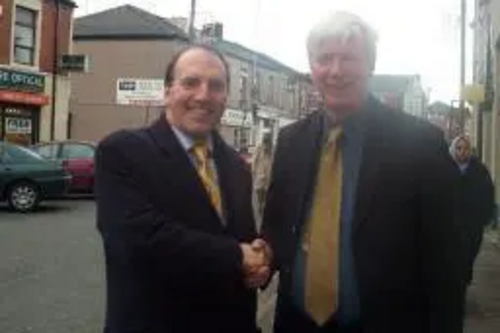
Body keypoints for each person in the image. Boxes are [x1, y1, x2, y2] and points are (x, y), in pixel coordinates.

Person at [262, 11, 466, 333]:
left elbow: (447, 263)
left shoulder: (421, 143)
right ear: (312, 67)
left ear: (370, 64)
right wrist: (263, 256)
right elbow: (275, 224)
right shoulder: (291, 141)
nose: (335, 70)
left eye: (349, 58)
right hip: (296, 322)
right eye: (324, 58)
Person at [95, 44, 271, 333]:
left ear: (226, 96)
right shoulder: (122, 151)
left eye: (216, 86)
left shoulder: (237, 166)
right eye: (191, 83)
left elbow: (242, 241)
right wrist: (237, 256)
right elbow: (138, 240)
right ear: (168, 92)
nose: (203, 96)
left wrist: (258, 264)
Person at [449, 135, 495, 286]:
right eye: (459, 148)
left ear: (471, 150)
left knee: (469, 253)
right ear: (453, 149)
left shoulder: (479, 170)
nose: (462, 151)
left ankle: (464, 279)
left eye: (466, 148)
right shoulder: (445, 168)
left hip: (472, 223)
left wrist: (486, 217)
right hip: (451, 223)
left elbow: (488, 193)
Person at [252, 133, 274, 215]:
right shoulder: (259, 148)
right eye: (265, 140)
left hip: (269, 174)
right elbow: (254, 160)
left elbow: (274, 161)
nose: (267, 143)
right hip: (259, 174)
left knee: (266, 191)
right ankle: (261, 203)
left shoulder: (273, 149)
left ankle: (263, 205)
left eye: (268, 141)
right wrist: (253, 171)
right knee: (259, 191)